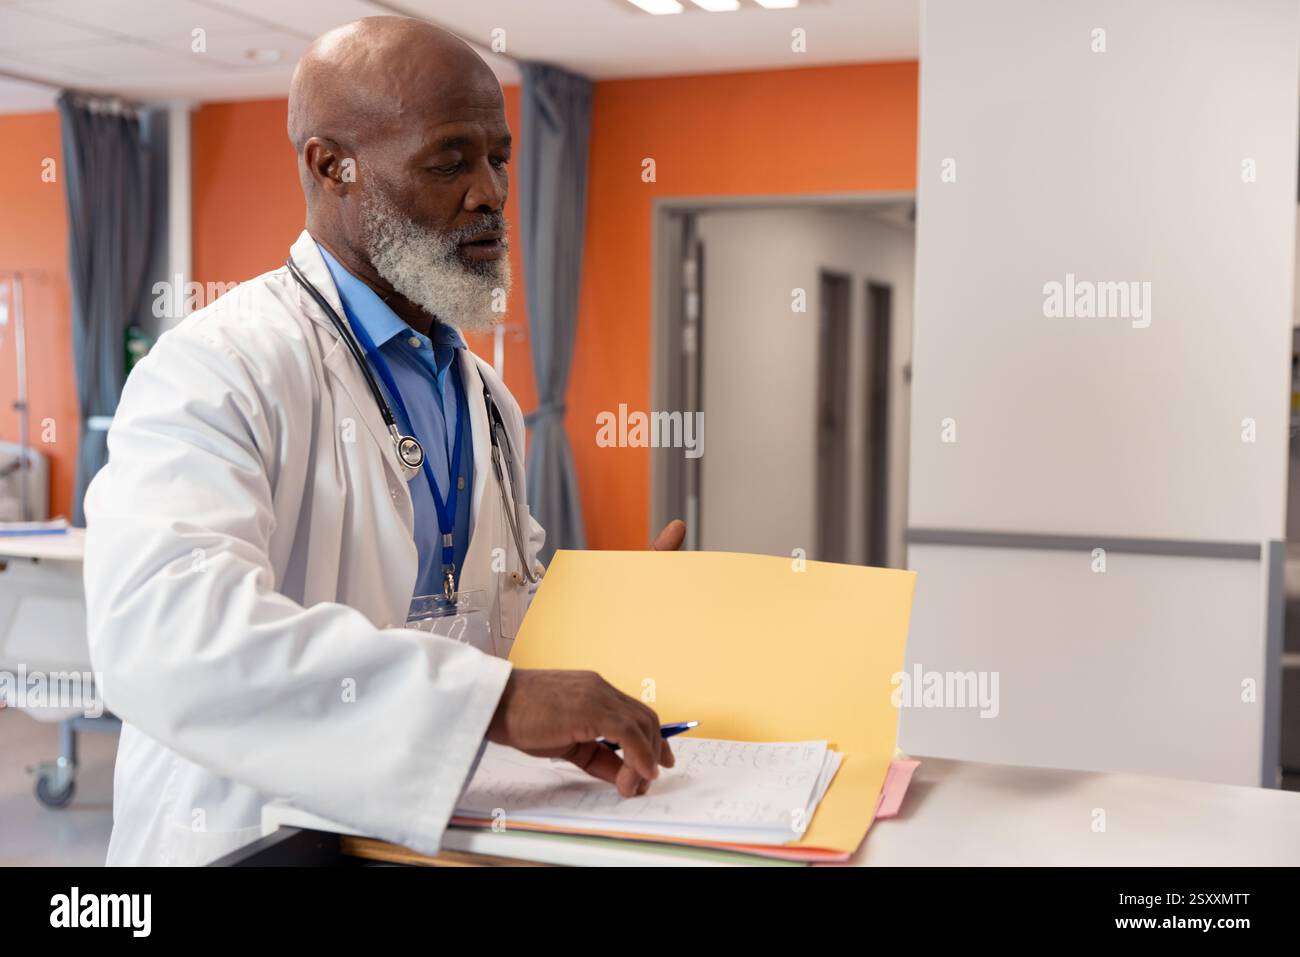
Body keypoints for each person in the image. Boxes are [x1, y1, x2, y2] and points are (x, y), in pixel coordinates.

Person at [83, 15, 687, 866]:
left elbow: (482, 617)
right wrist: (494, 703)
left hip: (415, 840)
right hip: (250, 841)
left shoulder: (485, 397)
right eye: (449, 162)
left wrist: (611, 616)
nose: (490, 192)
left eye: (499, 157)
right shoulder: (220, 367)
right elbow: (166, 636)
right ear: (332, 166)